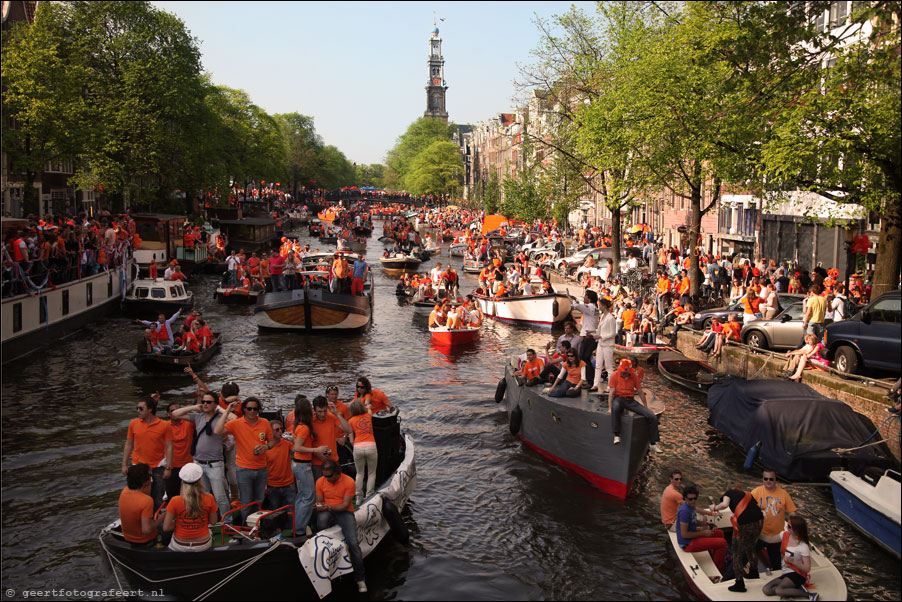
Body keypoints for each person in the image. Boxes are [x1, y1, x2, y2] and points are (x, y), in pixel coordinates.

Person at [170, 388, 234, 523]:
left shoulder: (220, 418)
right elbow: (175, 414)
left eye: (208, 402)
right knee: (203, 495)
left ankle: (227, 521)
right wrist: (195, 406)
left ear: (215, 404)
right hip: (198, 462)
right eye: (204, 402)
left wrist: (221, 409)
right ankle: (206, 520)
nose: (205, 404)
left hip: (215, 464)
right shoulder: (198, 417)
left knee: (220, 496)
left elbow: (235, 418)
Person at [214, 397, 276, 525]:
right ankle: (245, 528)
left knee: (259, 500)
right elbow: (217, 430)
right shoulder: (236, 423)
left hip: (261, 468)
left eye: (255, 409)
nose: (252, 411)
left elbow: (272, 441)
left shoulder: (264, 422)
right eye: (249, 409)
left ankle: (257, 526)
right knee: (247, 502)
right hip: (244, 469)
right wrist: (226, 411)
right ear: (244, 410)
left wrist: (266, 447)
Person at [314, 459, 367, 594]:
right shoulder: (320, 481)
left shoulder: (349, 482)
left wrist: (329, 507)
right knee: (320, 529)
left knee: (353, 543)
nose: (326, 479)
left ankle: (360, 578)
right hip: (328, 510)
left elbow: (345, 505)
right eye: (325, 476)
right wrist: (319, 506)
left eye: (329, 476)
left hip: (344, 512)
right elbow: (319, 500)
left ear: (337, 473)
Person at [122, 395, 173, 511]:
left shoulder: (164, 425)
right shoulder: (133, 424)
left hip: (157, 468)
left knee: (157, 498)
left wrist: (169, 467)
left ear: (150, 409)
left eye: (141, 408)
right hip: (138, 467)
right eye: (137, 408)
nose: (138, 411)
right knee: (136, 497)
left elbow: (169, 447)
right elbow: (129, 444)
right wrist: (124, 464)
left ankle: (156, 523)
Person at [711, 486, 766, 592]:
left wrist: (714, 507)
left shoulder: (729, 493)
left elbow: (724, 504)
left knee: (736, 553)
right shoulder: (747, 494)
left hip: (744, 523)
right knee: (751, 547)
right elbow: (757, 506)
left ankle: (739, 583)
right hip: (759, 520)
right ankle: (754, 572)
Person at [608, 359, 663, 452]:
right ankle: (616, 434)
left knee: (652, 416)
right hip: (619, 398)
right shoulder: (614, 375)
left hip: (630, 400)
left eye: (626, 373)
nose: (624, 374)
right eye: (623, 372)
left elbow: (640, 391)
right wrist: (610, 408)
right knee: (615, 408)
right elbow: (612, 393)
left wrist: (645, 406)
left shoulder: (634, 376)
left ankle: (653, 443)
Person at [162, 463, 218, 552]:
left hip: (180, 545)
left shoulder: (175, 500)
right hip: (202, 544)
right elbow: (213, 521)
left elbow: (166, 527)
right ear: (200, 480)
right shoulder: (209, 498)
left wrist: (179, 522)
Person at [762, 516, 818, 602]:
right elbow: (770, 539)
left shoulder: (803, 546)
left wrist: (793, 561)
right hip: (786, 572)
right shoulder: (785, 535)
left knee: (779, 590)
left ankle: (810, 595)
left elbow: (807, 568)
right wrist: (757, 535)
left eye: (789, 526)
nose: (787, 527)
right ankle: (791, 591)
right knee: (766, 590)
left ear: (796, 530)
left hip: (797, 574)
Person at [752, 468, 798, 572]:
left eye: (771, 479)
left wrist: (794, 526)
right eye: (766, 479)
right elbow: (748, 510)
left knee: (776, 563)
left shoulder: (784, 494)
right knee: (746, 555)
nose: (768, 481)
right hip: (760, 534)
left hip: (777, 536)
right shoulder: (755, 492)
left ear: (775, 480)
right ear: (763, 479)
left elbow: (792, 512)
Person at [676, 485, 728, 572]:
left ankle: (716, 556)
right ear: (685, 498)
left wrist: (706, 523)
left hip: (692, 535)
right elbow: (684, 534)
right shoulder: (684, 512)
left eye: (695, 498)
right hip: (687, 543)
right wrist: (704, 533)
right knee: (722, 543)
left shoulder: (691, 506)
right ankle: (719, 569)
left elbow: (693, 521)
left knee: (720, 533)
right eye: (690, 499)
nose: (693, 501)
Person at [291, 396, 324, 534]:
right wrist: (315, 450)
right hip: (303, 465)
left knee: (302, 495)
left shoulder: (297, 425)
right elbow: (297, 447)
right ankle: (299, 529)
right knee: (309, 496)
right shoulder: (304, 428)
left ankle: (296, 525)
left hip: (298, 465)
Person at [119, 463, 165, 546]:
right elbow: (147, 530)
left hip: (128, 537)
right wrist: (162, 518)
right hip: (144, 540)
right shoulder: (147, 501)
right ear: (146, 483)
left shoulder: (124, 492)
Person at [311, 396, 353, 481]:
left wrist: (337, 413)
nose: (322, 414)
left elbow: (349, 429)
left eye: (324, 411)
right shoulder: (310, 421)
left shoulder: (331, 417)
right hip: (317, 463)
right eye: (319, 411)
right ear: (314, 410)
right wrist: (318, 454)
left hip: (333, 460)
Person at [164, 402, 195, 503]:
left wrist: (199, 397)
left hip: (187, 465)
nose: (176, 412)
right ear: (168, 414)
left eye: (178, 410)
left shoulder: (188, 424)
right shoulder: (164, 426)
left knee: (190, 494)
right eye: (173, 410)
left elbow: (198, 412)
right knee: (172, 496)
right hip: (171, 467)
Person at [264, 420, 296, 518]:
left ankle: (292, 531)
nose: (280, 431)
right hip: (272, 486)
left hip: (288, 484)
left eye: (281, 429)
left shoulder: (287, 443)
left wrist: (293, 439)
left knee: (291, 513)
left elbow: (298, 450)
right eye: (277, 429)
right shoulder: (265, 447)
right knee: (276, 515)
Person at [348, 400, 378, 505]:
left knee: (359, 473)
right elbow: (369, 409)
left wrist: (356, 446)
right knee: (371, 473)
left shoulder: (351, 421)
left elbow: (351, 440)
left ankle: (358, 498)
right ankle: (369, 495)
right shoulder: (368, 416)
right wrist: (368, 406)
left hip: (358, 447)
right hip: (371, 446)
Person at [571, 290, 600, 388]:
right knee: (585, 358)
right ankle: (589, 379)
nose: (584, 297)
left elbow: (577, 306)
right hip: (591, 337)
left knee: (584, 358)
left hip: (589, 337)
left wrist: (573, 301)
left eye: (585, 296)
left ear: (589, 298)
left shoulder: (590, 307)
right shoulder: (594, 308)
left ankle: (590, 380)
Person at [592, 298, 617, 392]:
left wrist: (601, 336)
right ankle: (595, 384)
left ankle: (610, 386)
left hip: (608, 345)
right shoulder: (602, 316)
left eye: (600, 305)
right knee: (598, 365)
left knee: (609, 367)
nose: (599, 307)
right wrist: (593, 332)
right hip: (601, 344)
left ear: (604, 306)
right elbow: (600, 329)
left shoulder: (611, 318)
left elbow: (613, 333)